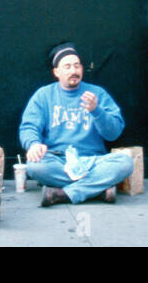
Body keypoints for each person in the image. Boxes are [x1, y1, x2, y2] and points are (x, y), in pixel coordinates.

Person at [19, 43, 134, 206]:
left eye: (77, 66)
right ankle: (98, 190)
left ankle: (62, 193)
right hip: (59, 160)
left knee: (125, 163)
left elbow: (114, 133)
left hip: (93, 161)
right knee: (35, 167)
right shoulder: (44, 95)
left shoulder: (97, 93)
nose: (73, 71)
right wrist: (33, 144)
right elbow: (29, 126)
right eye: (67, 67)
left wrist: (97, 111)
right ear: (56, 72)